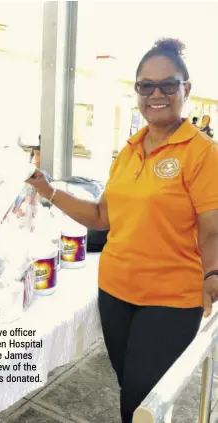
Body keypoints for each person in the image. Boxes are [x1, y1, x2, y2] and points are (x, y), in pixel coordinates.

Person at [26, 38, 218, 422]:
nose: (156, 94)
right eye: (146, 85)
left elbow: (211, 229)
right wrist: (48, 190)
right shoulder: (129, 150)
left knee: (138, 400)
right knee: (129, 385)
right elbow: (101, 217)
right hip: (115, 291)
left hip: (170, 299)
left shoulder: (202, 153)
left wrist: (213, 273)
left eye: (168, 84)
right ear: (137, 92)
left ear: (187, 89)